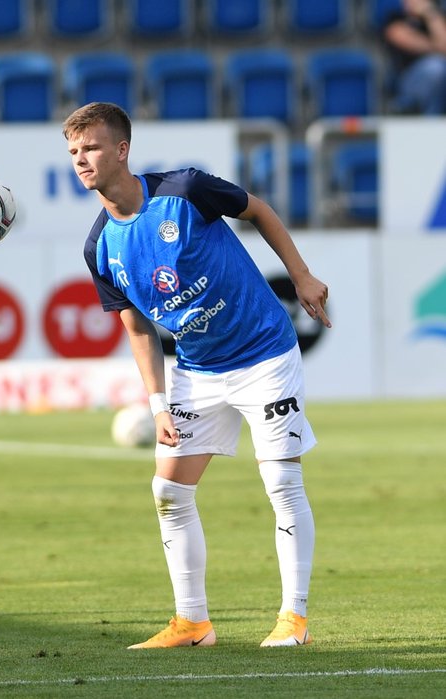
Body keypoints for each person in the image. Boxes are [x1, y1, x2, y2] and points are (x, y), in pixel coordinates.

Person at [62, 102, 331, 649]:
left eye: (90, 148)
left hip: (264, 353)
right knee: (168, 490)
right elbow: (136, 327)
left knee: (281, 481)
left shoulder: (183, 189)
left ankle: (294, 619)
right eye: (72, 152)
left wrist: (301, 276)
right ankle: (193, 623)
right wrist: (157, 403)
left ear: (121, 150)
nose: (81, 160)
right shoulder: (100, 246)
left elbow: (258, 209)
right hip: (196, 370)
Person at [381, 0, 446, 115]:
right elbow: (401, 38)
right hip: (406, 81)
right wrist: (436, 47)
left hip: (440, 80)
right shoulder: (396, 17)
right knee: (435, 66)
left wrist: (431, 16)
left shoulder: (435, 19)